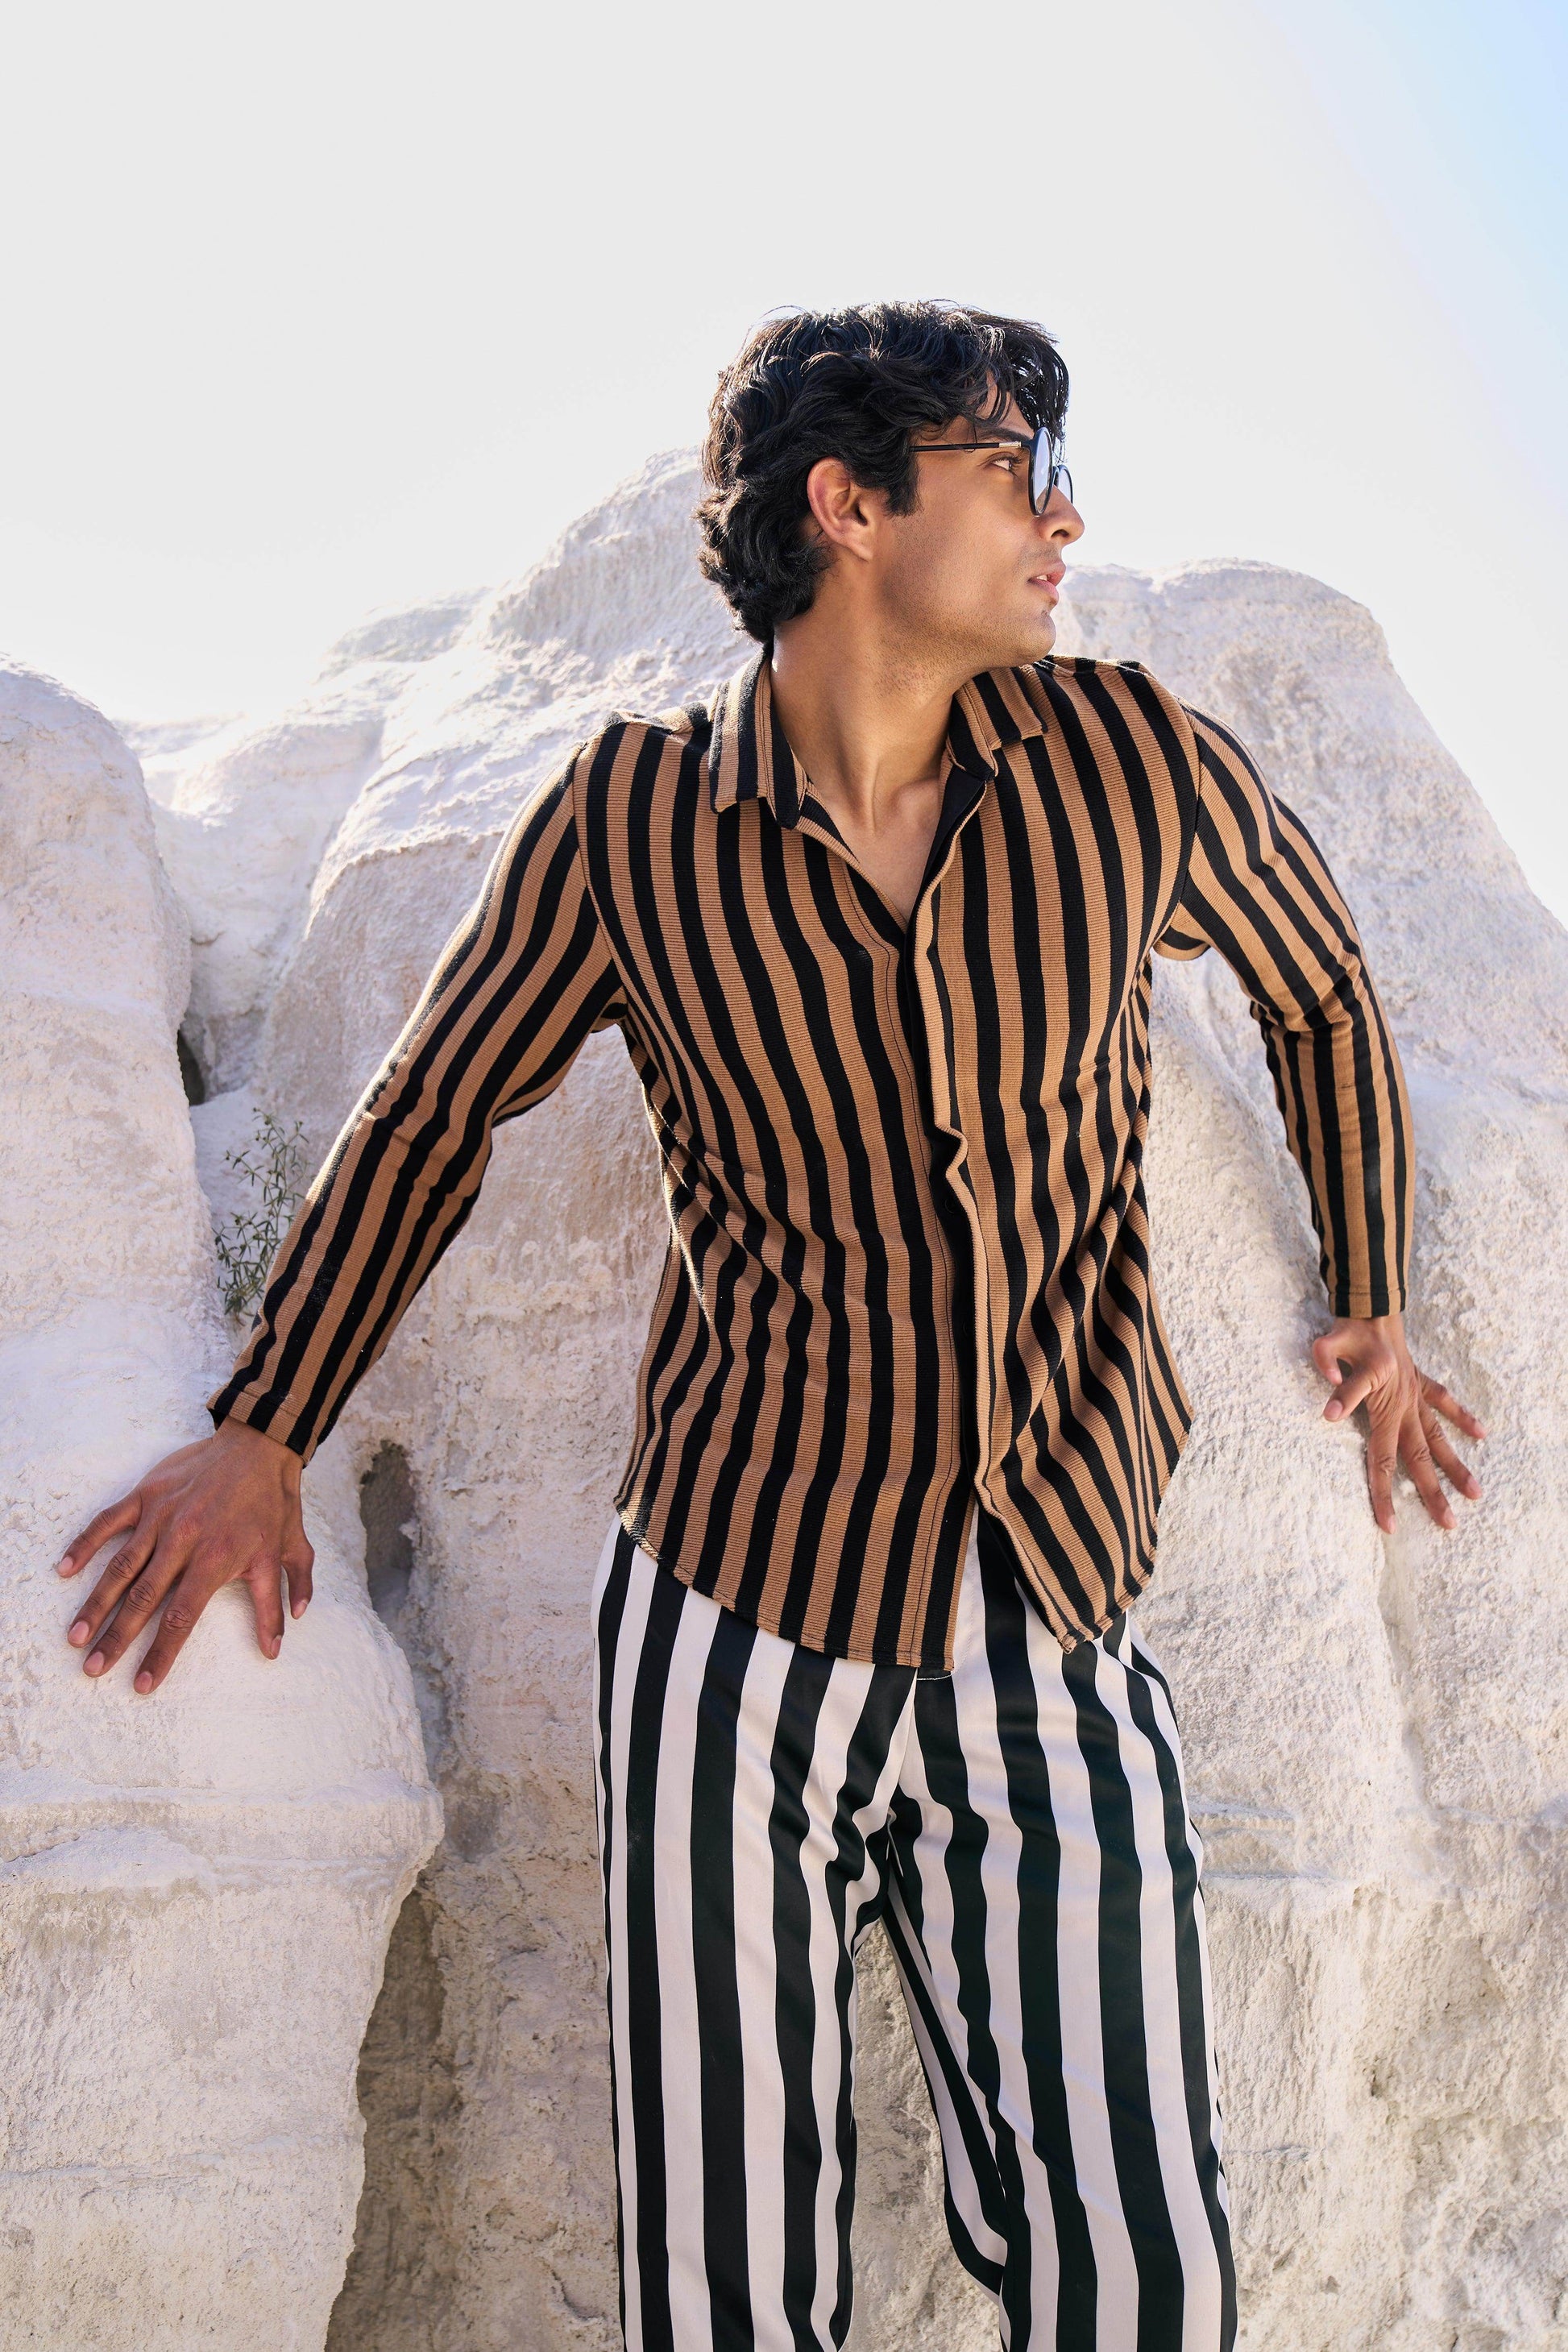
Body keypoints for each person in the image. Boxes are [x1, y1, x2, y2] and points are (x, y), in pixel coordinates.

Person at [56, 302, 1485, 2352]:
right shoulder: (630, 822)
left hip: (1058, 1610)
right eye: (1016, 468)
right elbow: (437, 1104)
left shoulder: (1130, 764)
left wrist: (1373, 1295)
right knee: (725, 2287)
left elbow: (1321, 983)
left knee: (1142, 2264)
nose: (1065, 520)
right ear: (851, 506)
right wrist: (268, 1424)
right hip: (733, 1628)